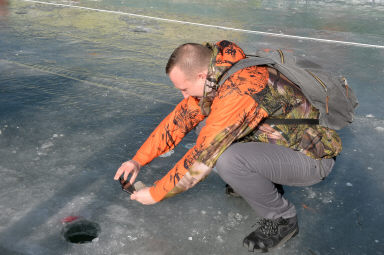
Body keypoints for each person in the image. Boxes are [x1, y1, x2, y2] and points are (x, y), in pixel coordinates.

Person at [114, 40, 341, 252]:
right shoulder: (220, 72)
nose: (183, 95)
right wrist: (137, 160)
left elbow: (203, 158)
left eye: (184, 88)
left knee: (227, 160)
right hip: (279, 144)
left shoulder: (242, 88)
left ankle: (282, 219)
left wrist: (155, 193)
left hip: (311, 158)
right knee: (206, 129)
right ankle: (256, 183)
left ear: (201, 75)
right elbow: (179, 120)